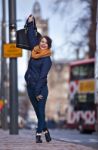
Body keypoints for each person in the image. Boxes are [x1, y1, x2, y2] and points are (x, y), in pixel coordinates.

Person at [24, 15, 52, 143]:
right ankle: (47, 133)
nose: (43, 44)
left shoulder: (47, 60)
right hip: (30, 87)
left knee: (41, 111)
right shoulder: (34, 51)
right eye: (42, 42)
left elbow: (42, 77)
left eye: (46, 43)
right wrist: (31, 23)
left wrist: (37, 92)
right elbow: (30, 37)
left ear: (48, 46)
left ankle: (38, 134)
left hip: (40, 89)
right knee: (39, 113)